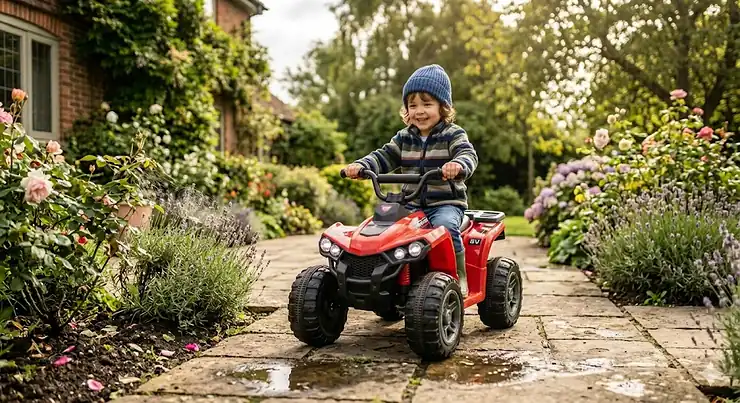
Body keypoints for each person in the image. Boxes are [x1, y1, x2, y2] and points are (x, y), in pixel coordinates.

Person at [343, 64, 478, 296]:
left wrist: (458, 165)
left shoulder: (453, 134)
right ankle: (384, 280)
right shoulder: (404, 138)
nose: (419, 111)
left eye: (427, 104)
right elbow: (384, 156)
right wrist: (362, 166)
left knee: (445, 227)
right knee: (381, 226)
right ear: (406, 109)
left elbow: (468, 154)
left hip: (444, 204)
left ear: (442, 107)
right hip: (410, 203)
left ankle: (457, 277)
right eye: (412, 105)